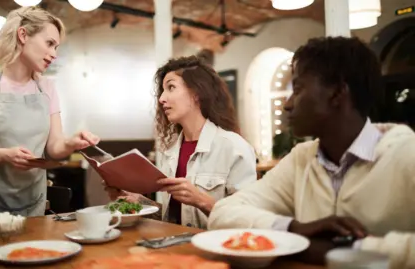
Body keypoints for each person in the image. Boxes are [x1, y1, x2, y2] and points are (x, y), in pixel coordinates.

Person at [208, 36, 415, 268]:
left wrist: (344, 250)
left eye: (297, 89)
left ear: (337, 93)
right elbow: (222, 214)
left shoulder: (406, 154)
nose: (288, 104)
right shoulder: (302, 159)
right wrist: (295, 229)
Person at [0, 6, 99, 225]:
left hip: (32, 206)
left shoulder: (47, 88)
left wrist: (71, 143)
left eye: (57, 46)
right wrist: (3, 155)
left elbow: (54, 147)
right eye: (49, 43)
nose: (54, 54)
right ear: (23, 35)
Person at [106, 56, 257, 229]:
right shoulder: (168, 150)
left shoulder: (234, 147)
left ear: (197, 93)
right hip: (174, 248)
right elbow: (173, 217)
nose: (162, 98)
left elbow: (247, 220)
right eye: (162, 90)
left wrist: (202, 201)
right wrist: (138, 201)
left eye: (171, 87)